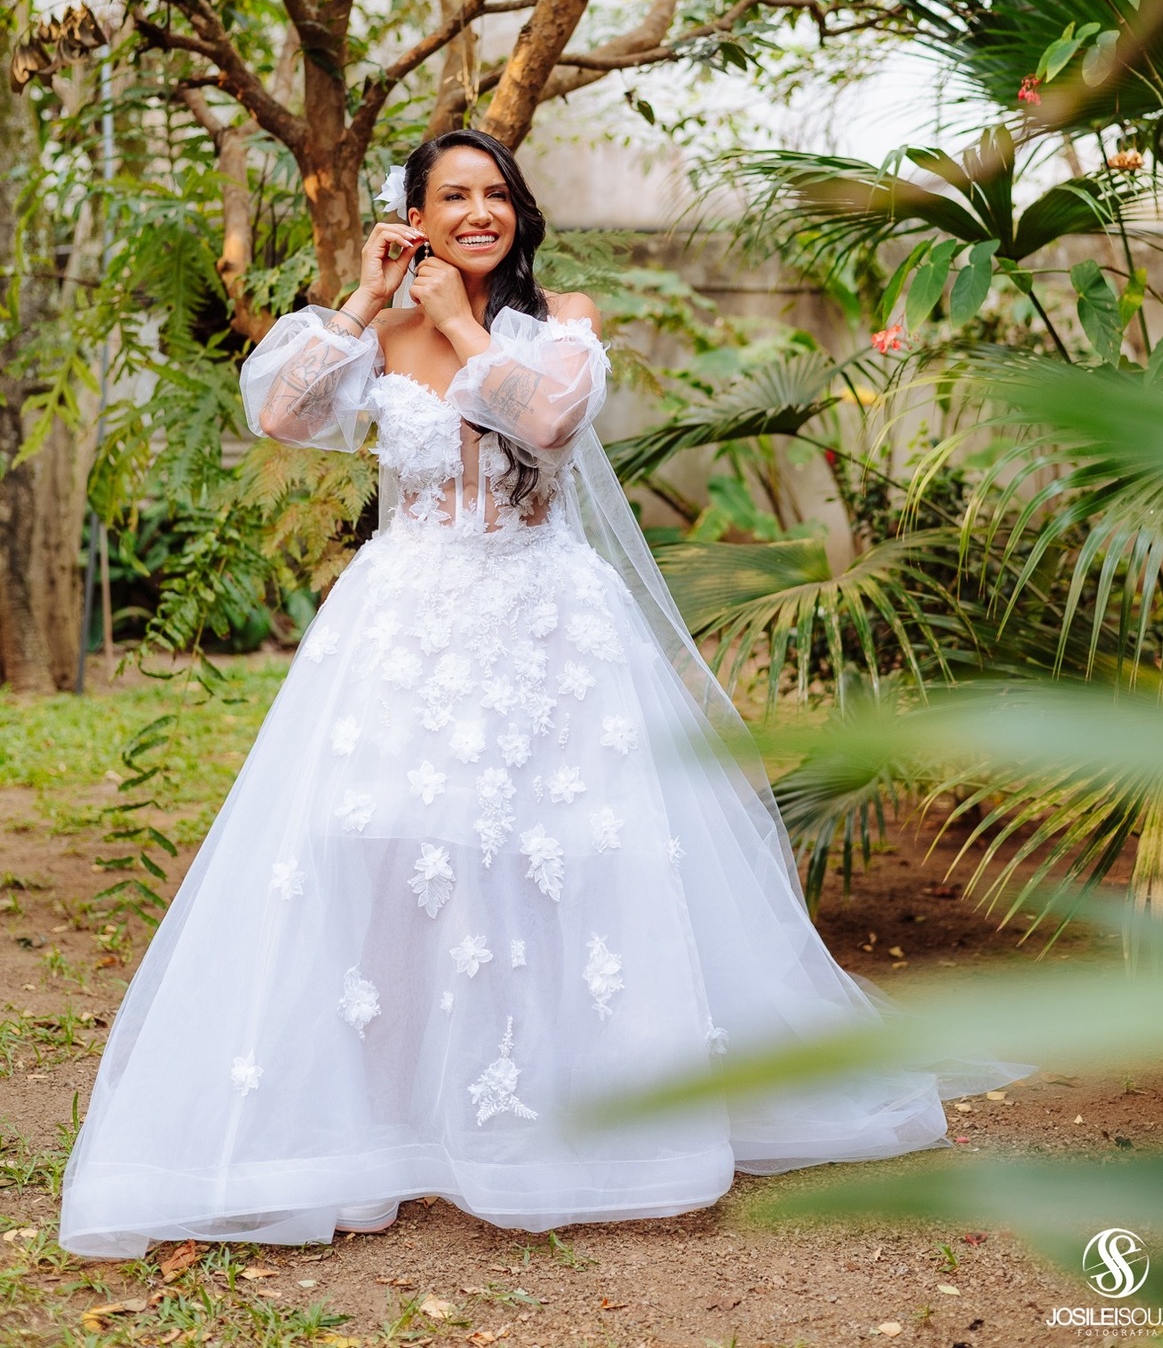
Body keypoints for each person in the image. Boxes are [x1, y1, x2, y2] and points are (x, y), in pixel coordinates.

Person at [59, 129, 1033, 1258]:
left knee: (565, 848)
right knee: (380, 840)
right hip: (408, 619)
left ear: (519, 211)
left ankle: (575, 1106)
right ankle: (401, 1104)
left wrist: (467, 328)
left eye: (496, 195)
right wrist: (366, 300)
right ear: (414, 215)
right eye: (452, 197)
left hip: (545, 618)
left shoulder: (558, 322)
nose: (479, 212)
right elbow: (279, 414)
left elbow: (549, 421)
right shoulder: (382, 336)